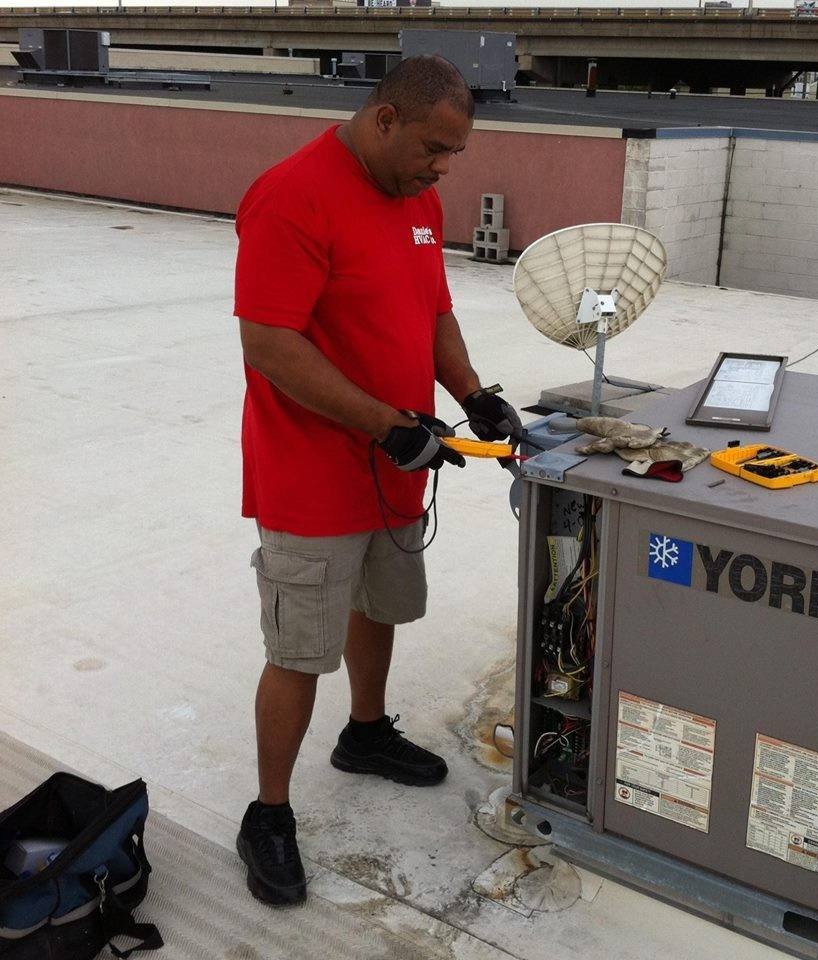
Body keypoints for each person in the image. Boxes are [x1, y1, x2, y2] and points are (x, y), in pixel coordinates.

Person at [231, 55, 522, 906]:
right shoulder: (292, 194)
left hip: (399, 460)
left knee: (378, 605)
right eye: (435, 148)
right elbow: (271, 344)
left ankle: (364, 734)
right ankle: (269, 812)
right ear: (385, 120)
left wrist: (473, 394)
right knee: (298, 650)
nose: (444, 169)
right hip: (313, 475)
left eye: (456, 155)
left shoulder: (417, 200)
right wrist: (387, 426)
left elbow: (432, 310)